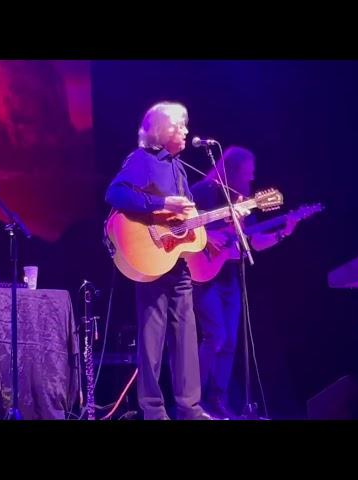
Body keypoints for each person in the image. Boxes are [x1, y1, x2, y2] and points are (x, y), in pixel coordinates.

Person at [104, 101, 212, 420]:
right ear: (163, 130)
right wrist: (161, 202)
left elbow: (184, 219)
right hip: (149, 261)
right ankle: (152, 410)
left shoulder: (180, 168)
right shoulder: (142, 160)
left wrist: (227, 214)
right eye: (180, 126)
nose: (186, 131)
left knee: (187, 336)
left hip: (176, 264)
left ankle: (189, 408)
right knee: (152, 338)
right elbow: (115, 194)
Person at [190, 146, 298, 419]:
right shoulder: (203, 191)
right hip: (204, 273)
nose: (251, 180)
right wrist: (209, 236)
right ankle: (194, 400)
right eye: (247, 174)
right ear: (233, 170)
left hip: (230, 276)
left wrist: (284, 232)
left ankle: (217, 399)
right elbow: (185, 224)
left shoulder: (243, 201)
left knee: (229, 342)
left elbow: (253, 242)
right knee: (216, 336)